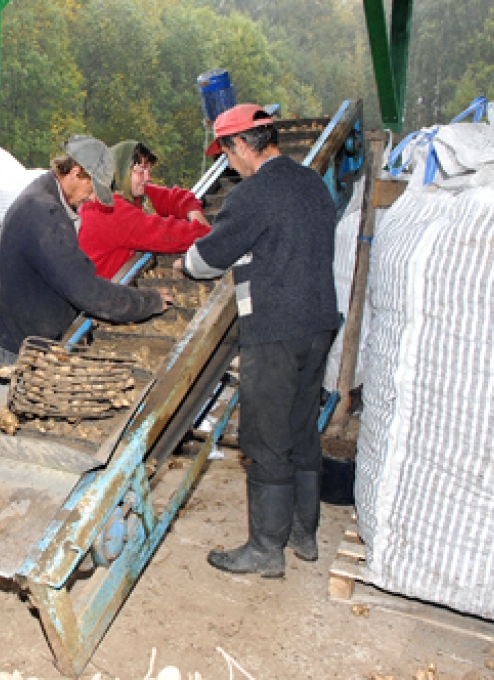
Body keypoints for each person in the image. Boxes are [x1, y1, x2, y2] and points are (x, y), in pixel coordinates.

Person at [180, 104, 339, 578]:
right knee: (301, 427)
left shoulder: (254, 194)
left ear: (242, 145)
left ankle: (266, 550)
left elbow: (206, 259)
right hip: (319, 323)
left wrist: (182, 266)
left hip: (274, 330)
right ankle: (304, 537)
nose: (228, 165)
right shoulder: (312, 183)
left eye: (227, 154)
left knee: (266, 437)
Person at [0, 135, 171, 363]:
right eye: (92, 187)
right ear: (76, 172)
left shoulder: (43, 195)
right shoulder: (45, 213)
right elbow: (85, 289)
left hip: (29, 335)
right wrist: (148, 301)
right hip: (20, 350)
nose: (93, 197)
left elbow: (62, 277)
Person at [79, 140, 211, 280]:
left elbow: (175, 197)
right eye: (141, 171)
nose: (148, 178)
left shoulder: (129, 193)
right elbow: (167, 235)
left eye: (148, 170)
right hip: (99, 294)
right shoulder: (108, 209)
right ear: (121, 172)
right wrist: (207, 232)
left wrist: (194, 212)